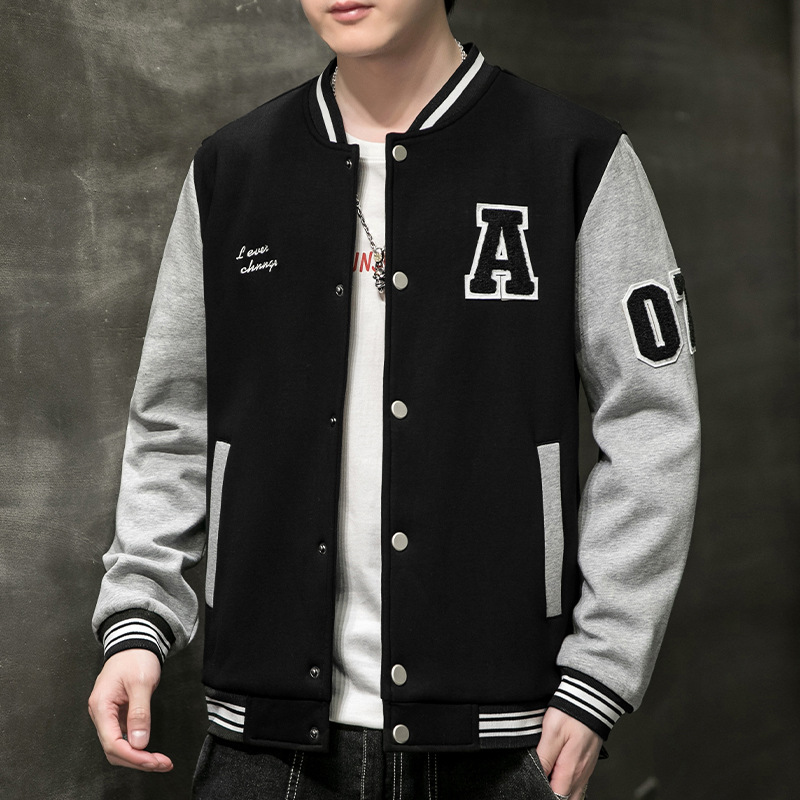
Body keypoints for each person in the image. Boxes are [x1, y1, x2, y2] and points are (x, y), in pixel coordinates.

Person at [88, 0, 701, 798]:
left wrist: (601, 673)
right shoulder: (233, 168)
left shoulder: (572, 157)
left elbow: (653, 421)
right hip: (264, 739)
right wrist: (139, 617)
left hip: (501, 737)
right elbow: (174, 418)